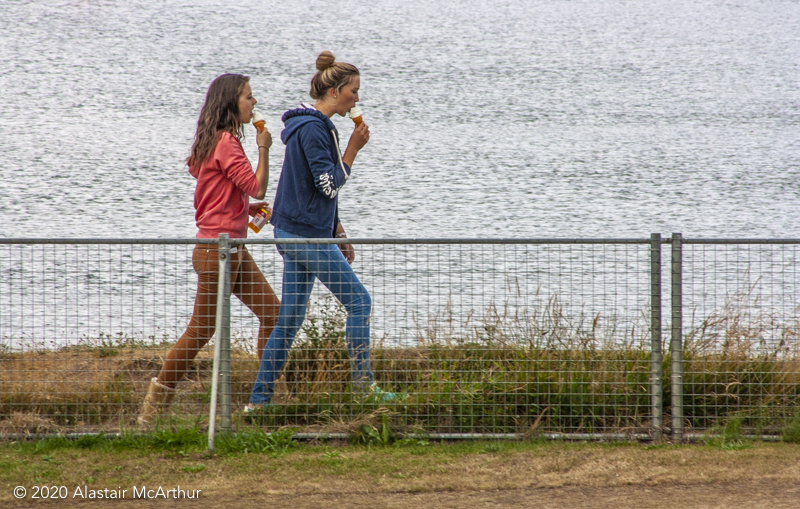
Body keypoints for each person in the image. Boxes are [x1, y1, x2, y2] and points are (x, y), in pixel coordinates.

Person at [247, 51, 389, 411]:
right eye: (354, 91)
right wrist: (354, 150)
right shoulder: (313, 129)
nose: (357, 98)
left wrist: (337, 229)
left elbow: (310, 187)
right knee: (360, 302)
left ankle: (259, 402)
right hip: (305, 235)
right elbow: (328, 184)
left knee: (289, 321)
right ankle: (364, 389)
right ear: (335, 90)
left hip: (297, 232)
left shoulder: (311, 126)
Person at [138, 74, 280, 425]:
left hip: (229, 246)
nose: (254, 103)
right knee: (201, 330)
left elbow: (217, 197)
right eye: (249, 97)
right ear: (232, 103)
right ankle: (152, 411)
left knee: (273, 315)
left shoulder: (213, 142)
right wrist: (263, 146)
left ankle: (264, 400)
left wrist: (244, 211)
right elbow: (257, 185)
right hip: (218, 252)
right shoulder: (228, 142)